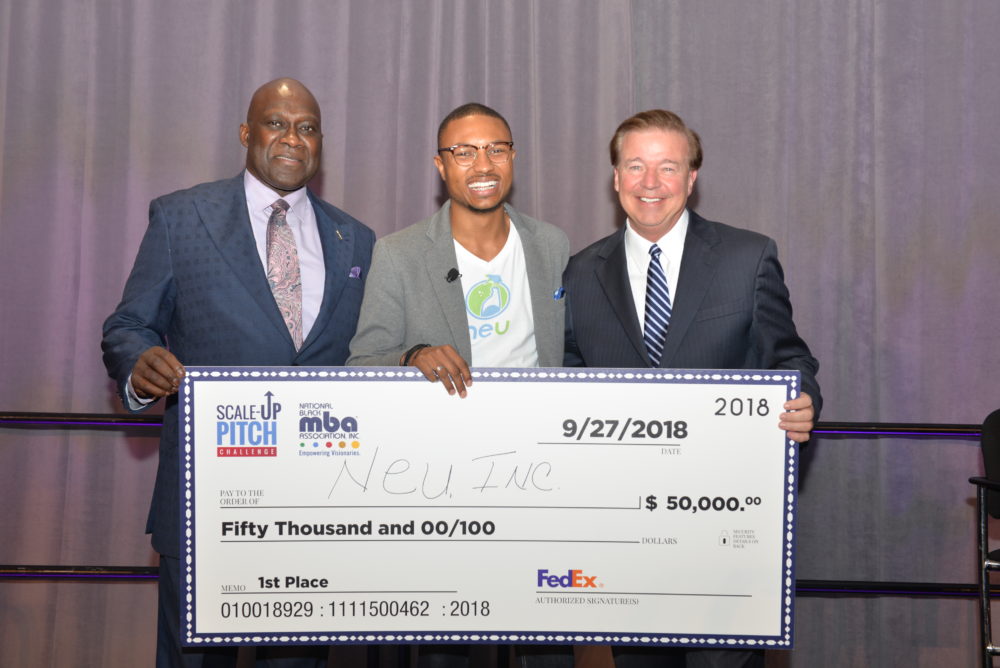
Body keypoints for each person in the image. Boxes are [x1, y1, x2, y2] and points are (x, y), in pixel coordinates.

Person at [102, 78, 375, 668]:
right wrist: (138, 364)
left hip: (315, 509)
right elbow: (129, 325)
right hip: (208, 501)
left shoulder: (356, 239)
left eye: (307, 128)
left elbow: (367, 352)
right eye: (277, 123)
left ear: (320, 143)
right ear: (246, 133)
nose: (292, 138)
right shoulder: (182, 217)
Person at [562, 109, 822, 668]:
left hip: (724, 523)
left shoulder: (748, 257)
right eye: (636, 165)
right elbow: (568, 376)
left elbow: (790, 358)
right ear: (615, 177)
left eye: (668, 167)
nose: (650, 182)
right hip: (625, 530)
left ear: (692, 177)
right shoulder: (579, 272)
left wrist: (802, 400)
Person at [347, 103, 570, 666]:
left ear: (514, 157)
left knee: (542, 642)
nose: (483, 164)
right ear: (440, 165)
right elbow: (360, 365)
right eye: (464, 152)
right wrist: (411, 357)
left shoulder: (552, 246)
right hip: (438, 488)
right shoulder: (398, 253)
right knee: (446, 648)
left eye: (496, 149)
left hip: (536, 483)